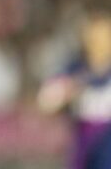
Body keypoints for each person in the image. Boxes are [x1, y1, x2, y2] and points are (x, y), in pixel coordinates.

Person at [38, 10, 111, 169]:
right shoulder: (76, 69)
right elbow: (47, 100)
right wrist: (71, 87)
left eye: (104, 36)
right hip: (84, 139)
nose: (99, 43)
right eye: (94, 37)